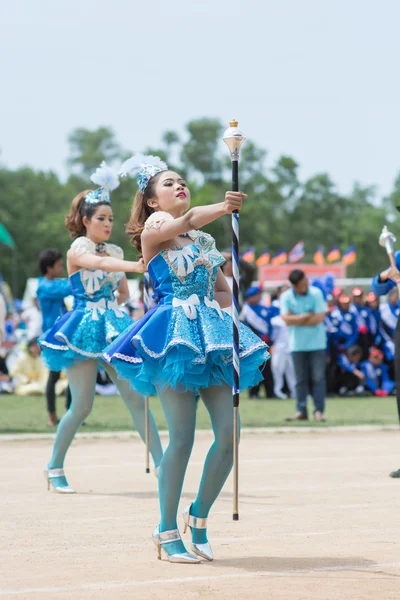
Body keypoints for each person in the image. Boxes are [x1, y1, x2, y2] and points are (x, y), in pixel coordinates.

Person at [103, 154, 269, 563]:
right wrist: (225, 207)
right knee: (182, 438)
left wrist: (225, 317)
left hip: (211, 334)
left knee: (230, 436)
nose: (179, 185)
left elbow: (223, 289)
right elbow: (190, 218)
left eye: (182, 180)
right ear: (153, 202)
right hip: (172, 335)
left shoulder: (206, 243)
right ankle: (165, 529)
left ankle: (198, 517)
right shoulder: (157, 228)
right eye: (168, 183)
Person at [39, 162, 163, 494]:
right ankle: (54, 467)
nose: (108, 224)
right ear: (85, 221)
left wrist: (124, 298)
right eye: (101, 219)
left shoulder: (118, 249)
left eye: (110, 219)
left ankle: (164, 466)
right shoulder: (77, 249)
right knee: (81, 405)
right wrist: (138, 265)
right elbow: (102, 264)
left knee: (137, 399)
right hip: (82, 326)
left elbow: (122, 291)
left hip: (112, 324)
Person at [280, 269, 327, 422]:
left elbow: (319, 318)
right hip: (297, 345)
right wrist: (307, 316)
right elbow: (286, 319)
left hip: (317, 343)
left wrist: (296, 318)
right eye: (302, 284)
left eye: (306, 282)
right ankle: (301, 410)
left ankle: (319, 411)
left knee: (318, 379)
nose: (305, 286)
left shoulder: (316, 293)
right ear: (294, 286)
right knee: (300, 380)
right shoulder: (286, 296)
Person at [37, 249, 73, 425]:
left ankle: (71, 414)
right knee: (54, 376)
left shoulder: (53, 283)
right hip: (52, 336)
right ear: (49, 268)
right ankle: (52, 416)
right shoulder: (44, 286)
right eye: (59, 265)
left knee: (73, 373)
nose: (61, 268)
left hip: (63, 333)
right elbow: (67, 288)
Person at [240, 286, 274, 398]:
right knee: (254, 368)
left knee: (267, 368)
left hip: (264, 343)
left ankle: (270, 392)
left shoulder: (263, 308)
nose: (258, 297)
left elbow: (269, 325)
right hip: (252, 344)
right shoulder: (245, 311)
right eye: (255, 295)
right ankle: (253, 392)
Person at [269, 285, 296, 399]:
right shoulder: (274, 306)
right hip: (279, 343)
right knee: (277, 368)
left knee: (293, 369)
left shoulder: (293, 305)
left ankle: (295, 391)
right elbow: (271, 322)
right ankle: (278, 391)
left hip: (291, 341)